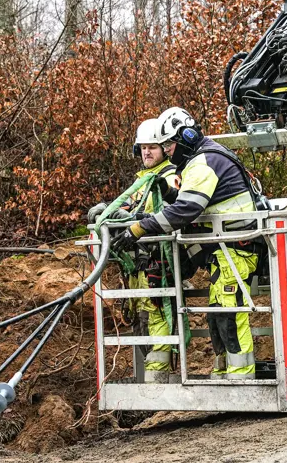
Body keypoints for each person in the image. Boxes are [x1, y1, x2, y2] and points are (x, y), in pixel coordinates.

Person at [112, 107, 259, 380]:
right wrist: (167, 193)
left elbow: (186, 210)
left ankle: (240, 374)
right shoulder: (200, 161)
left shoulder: (204, 162)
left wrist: (140, 227)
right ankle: (226, 371)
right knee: (217, 312)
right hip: (224, 250)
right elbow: (185, 201)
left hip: (234, 248)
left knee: (228, 311)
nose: (167, 151)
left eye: (168, 144)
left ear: (186, 137)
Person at [88, 118, 178, 383]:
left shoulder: (169, 177)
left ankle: (157, 379)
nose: (147, 152)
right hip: (136, 263)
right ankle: (151, 377)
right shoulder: (140, 181)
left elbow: (163, 211)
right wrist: (108, 208)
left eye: (152, 147)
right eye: (142, 148)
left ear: (164, 149)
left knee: (158, 313)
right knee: (140, 316)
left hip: (157, 259)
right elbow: (129, 206)